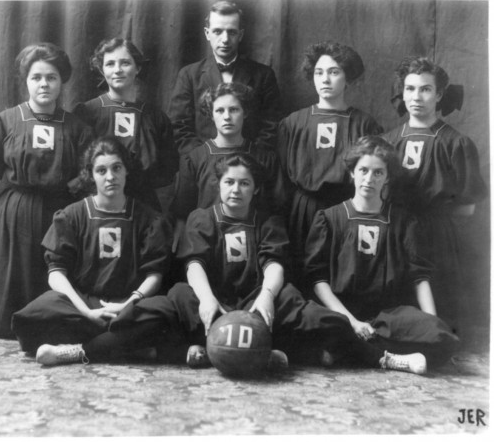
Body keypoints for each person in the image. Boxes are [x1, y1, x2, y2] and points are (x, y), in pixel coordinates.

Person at [166, 152, 429, 374]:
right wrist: (208, 298)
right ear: (219, 185)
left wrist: (267, 296)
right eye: (230, 182)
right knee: (178, 296)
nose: (236, 190)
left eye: (245, 183)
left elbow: (274, 264)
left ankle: (383, 358)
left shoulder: (268, 221)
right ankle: (240, 353)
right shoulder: (201, 218)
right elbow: (194, 264)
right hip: (215, 300)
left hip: (255, 300)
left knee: (319, 315)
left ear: (256, 188)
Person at [0, 43, 93, 338]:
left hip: (59, 217)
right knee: (4, 310)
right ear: (26, 81)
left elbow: (87, 180)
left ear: (62, 82)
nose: (44, 84)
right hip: (13, 216)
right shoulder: (5, 121)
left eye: (52, 77)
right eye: (36, 77)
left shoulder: (77, 128)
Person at [11, 137, 174, 364]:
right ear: (91, 175)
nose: (110, 177)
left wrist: (128, 304)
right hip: (84, 304)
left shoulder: (148, 218)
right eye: (101, 170)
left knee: (163, 312)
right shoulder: (72, 215)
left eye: (117, 168)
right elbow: (56, 272)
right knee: (35, 315)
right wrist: (86, 312)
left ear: (127, 171)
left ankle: (77, 351)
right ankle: (125, 346)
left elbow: (154, 275)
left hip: (128, 306)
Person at [304, 136, 460, 371]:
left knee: (443, 338)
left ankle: (352, 351)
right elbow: (318, 280)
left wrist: (433, 323)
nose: (369, 179)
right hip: (340, 311)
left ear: (387, 178)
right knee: (314, 323)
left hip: (387, 316)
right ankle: (390, 358)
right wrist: (352, 322)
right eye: (363, 170)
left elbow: (420, 277)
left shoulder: (403, 221)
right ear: (352, 173)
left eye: (378, 173)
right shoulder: (329, 218)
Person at [383, 56, 487, 332]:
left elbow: (467, 208)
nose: (416, 97)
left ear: (439, 94)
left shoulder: (456, 143)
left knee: (437, 316)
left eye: (425, 89)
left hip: (436, 237)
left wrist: (429, 219)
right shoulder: (388, 141)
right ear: (402, 92)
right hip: (394, 233)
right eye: (410, 89)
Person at [277, 41, 383, 286]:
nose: (325, 79)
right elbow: (281, 180)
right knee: (303, 278)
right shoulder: (293, 123)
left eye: (334, 72)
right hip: (302, 211)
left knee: (340, 277)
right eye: (319, 72)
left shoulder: (365, 124)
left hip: (346, 209)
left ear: (348, 78)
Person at [74, 38, 178, 211]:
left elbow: (168, 170)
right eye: (110, 64)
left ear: (137, 68)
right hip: (98, 204)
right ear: (101, 69)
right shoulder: (86, 113)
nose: (117, 70)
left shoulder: (155, 117)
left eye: (125, 63)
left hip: (144, 204)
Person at [169, 0, 281, 155]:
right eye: (217, 31)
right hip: (203, 168)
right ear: (207, 34)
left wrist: (247, 161)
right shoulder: (189, 75)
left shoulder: (263, 75)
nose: (225, 39)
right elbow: (179, 128)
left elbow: (271, 126)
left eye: (232, 32)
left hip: (249, 166)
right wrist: (203, 160)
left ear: (240, 35)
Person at [170, 82, 288, 227]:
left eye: (233, 110)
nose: (227, 117)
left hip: (255, 240)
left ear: (245, 113)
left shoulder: (265, 159)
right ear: (211, 115)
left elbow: (276, 209)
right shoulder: (194, 159)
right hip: (207, 240)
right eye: (220, 110)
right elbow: (183, 212)